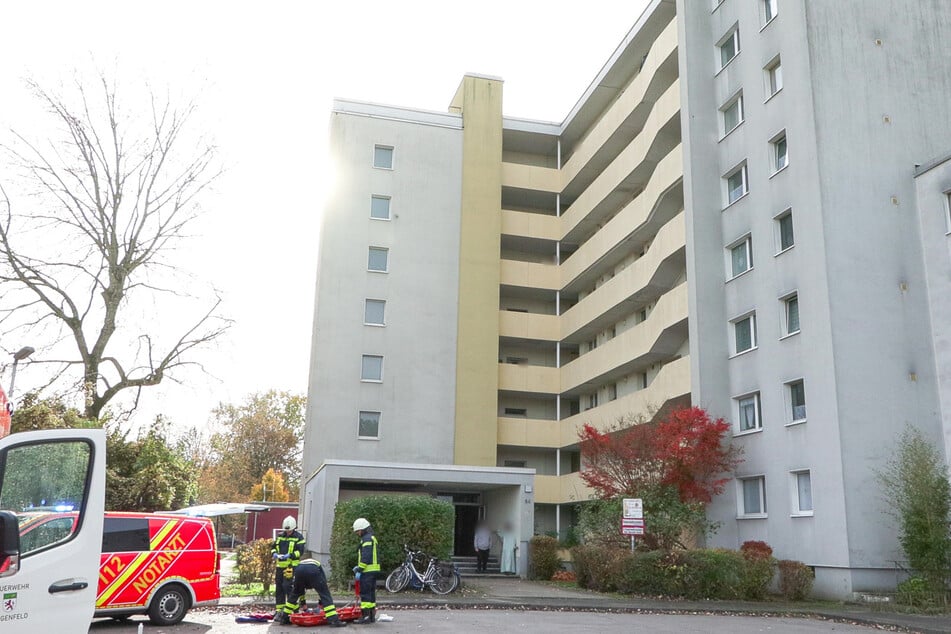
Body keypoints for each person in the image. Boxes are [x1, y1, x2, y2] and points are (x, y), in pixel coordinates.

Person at [284, 554, 347, 627]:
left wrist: (303, 603)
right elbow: (323, 587)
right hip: (312, 571)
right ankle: (333, 620)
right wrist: (321, 602)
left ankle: (284, 618)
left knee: (294, 594)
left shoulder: (300, 564)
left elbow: (300, 591)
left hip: (299, 571)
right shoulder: (317, 564)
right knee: (325, 594)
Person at [272, 515, 305, 624]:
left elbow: (300, 552)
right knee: (279, 588)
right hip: (280, 566)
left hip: (291, 566)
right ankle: (279, 610)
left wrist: (289, 555)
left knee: (288, 587)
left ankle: (293, 608)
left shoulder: (299, 537)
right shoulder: (280, 536)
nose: (288, 532)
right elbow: (273, 547)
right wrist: (275, 554)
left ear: (294, 528)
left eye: (290, 530)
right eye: (286, 530)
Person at [351, 517, 380, 624]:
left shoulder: (366, 539)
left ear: (363, 529)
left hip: (367, 571)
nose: (357, 533)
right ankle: (371, 616)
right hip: (373, 570)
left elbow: (366, 556)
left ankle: (366, 617)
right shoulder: (371, 537)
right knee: (371, 594)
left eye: (358, 531)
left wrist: (360, 568)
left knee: (365, 594)